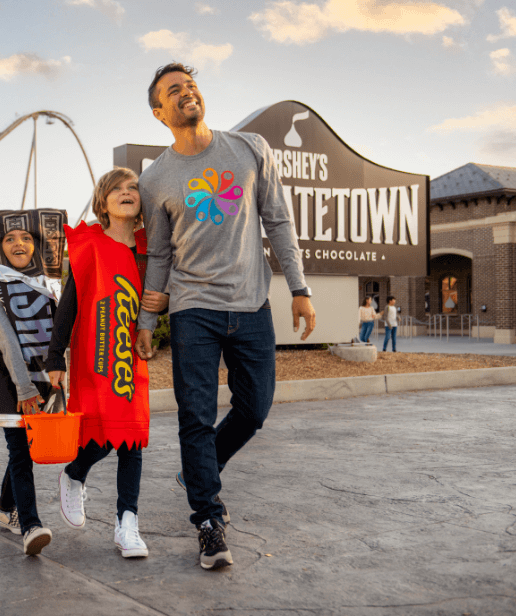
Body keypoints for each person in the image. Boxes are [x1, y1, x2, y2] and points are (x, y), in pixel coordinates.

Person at [134, 63, 316, 570]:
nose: (187, 93)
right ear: (159, 112)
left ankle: (201, 469)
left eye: (190, 85)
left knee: (255, 408)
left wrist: (299, 288)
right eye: (174, 91)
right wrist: (148, 322)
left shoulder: (251, 148)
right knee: (194, 415)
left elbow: (277, 220)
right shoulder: (154, 180)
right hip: (194, 308)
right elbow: (159, 257)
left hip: (251, 303)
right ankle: (209, 522)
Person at [45, 168, 165, 558]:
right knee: (98, 438)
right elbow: (69, 305)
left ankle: (127, 524)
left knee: (132, 438)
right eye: (118, 188)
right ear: (103, 201)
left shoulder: (150, 248)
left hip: (131, 357)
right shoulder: (89, 244)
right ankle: (75, 473)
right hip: (94, 356)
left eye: (134, 188)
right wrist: (54, 356)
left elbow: (165, 294)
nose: (127, 193)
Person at [0, 208, 68, 556]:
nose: (19, 243)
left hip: (48, 377)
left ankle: (3, 509)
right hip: (11, 381)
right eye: (10, 239)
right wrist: (24, 388)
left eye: (25, 237)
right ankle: (31, 526)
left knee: (27, 450)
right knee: (21, 452)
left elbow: (62, 331)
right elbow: (6, 338)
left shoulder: (52, 284)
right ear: (0, 250)